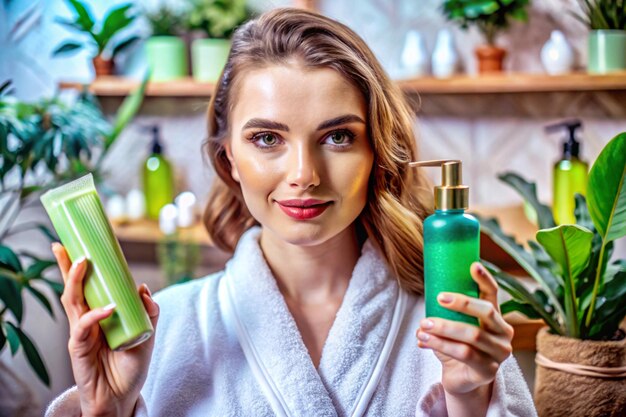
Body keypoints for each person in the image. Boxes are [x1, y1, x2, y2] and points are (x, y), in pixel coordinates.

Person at [46, 7, 537, 417]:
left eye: (338, 137)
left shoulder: (449, 331)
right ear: (229, 160)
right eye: (267, 138)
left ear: (377, 155)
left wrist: (472, 397)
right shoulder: (169, 328)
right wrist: (107, 410)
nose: (304, 173)